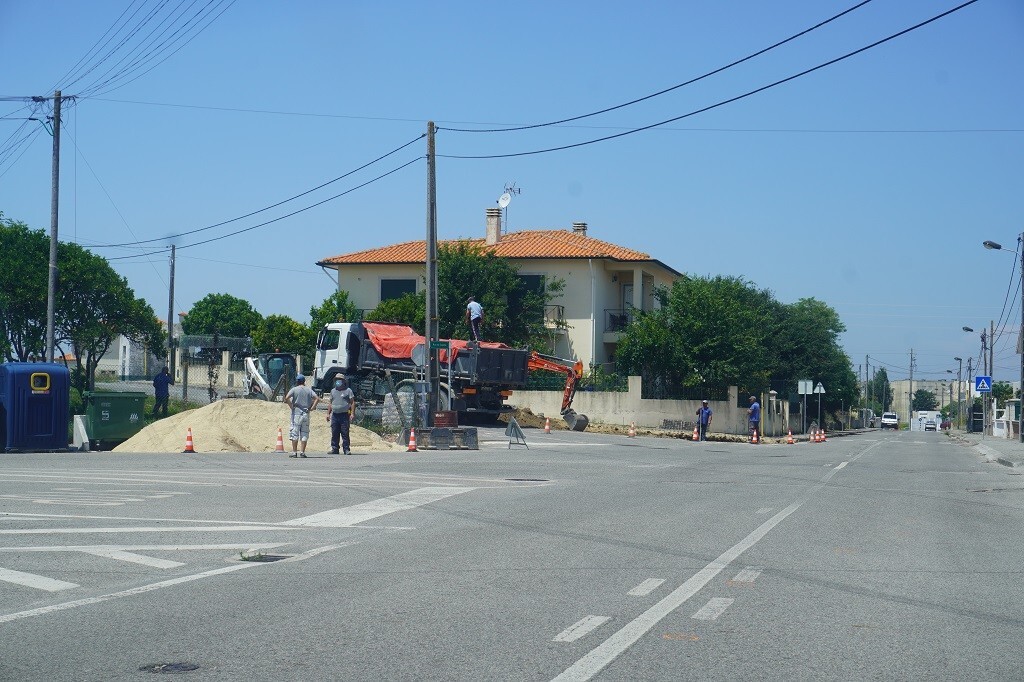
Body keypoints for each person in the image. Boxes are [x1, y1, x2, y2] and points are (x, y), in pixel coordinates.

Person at [284, 374, 320, 458]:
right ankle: (302, 452)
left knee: (295, 432)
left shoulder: (294, 389)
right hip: (306, 413)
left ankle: (294, 452)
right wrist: (312, 408)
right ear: (304, 381)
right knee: (304, 432)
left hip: (296, 413)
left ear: (297, 382)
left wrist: (291, 406)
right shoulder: (309, 390)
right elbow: (317, 398)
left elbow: (286, 398)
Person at [326, 375, 355, 455]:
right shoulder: (333, 391)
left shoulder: (348, 391)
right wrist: (328, 413)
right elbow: (330, 403)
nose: (338, 381)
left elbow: (352, 402)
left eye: (339, 379)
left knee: (345, 433)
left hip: (344, 415)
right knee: (334, 432)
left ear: (343, 381)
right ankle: (335, 448)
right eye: (336, 380)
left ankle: (346, 449)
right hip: (335, 415)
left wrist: (352, 413)